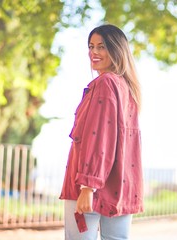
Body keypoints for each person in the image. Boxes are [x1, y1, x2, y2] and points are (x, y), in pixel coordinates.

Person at [59, 24, 143, 240]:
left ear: (116, 50)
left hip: (89, 184)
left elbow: (99, 137)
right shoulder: (128, 88)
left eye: (102, 47)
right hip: (121, 184)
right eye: (91, 46)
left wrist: (88, 186)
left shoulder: (105, 83)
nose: (93, 52)